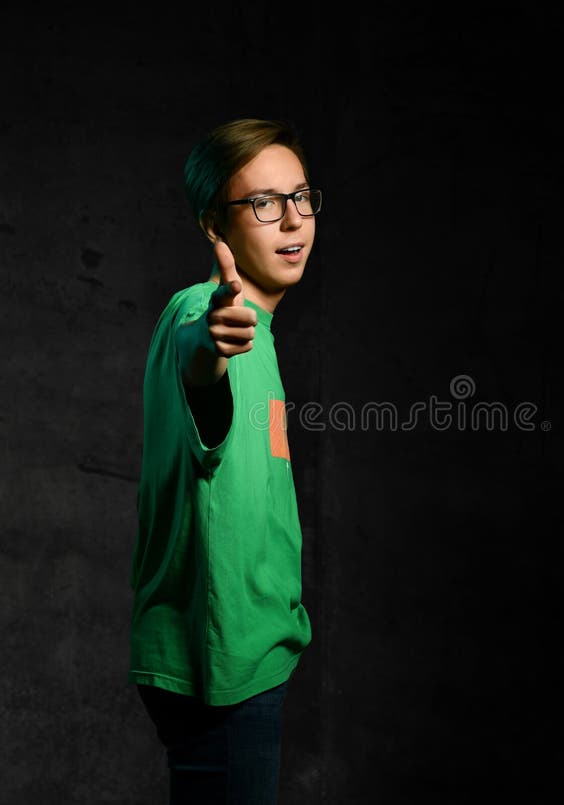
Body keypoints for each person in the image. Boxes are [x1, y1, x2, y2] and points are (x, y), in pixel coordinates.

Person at [127, 117, 321, 804]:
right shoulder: (207, 315)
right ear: (216, 221)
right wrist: (209, 343)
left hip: (242, 661)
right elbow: (198, 366)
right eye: (264, 203)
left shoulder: (261, 334)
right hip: (224, 670)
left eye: (301, 196)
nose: (292, 219)